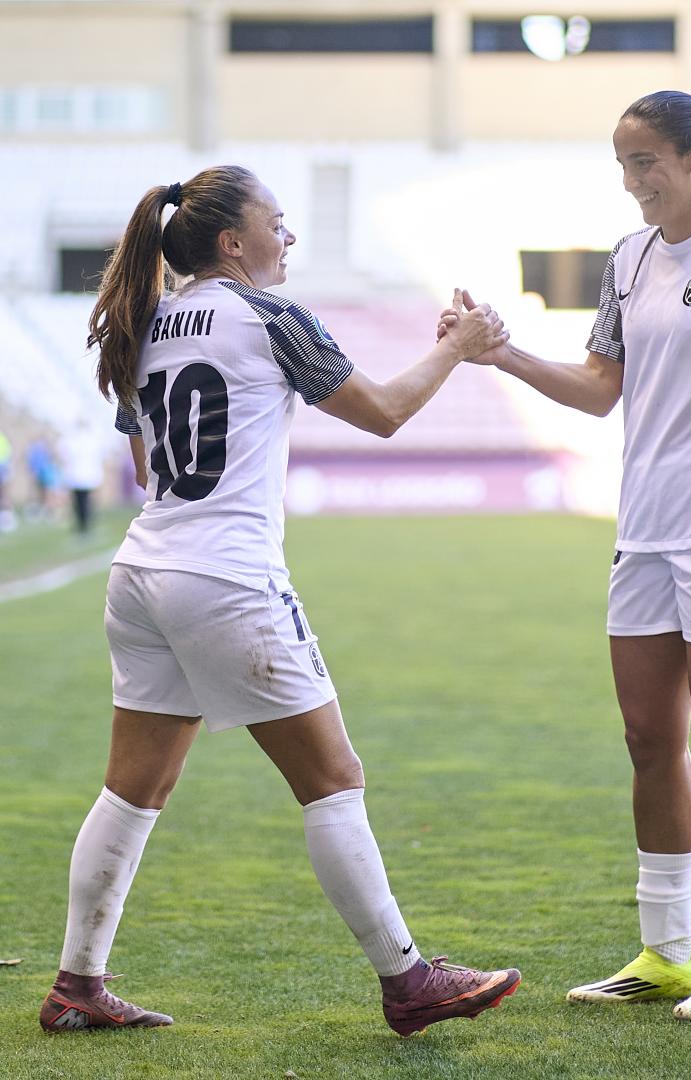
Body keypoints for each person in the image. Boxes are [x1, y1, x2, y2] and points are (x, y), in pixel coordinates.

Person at [39, 165, 520, 1036]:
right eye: (278, 224)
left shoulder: (146, 322)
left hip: (143, 576)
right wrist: (455, 347)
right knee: (333, 781)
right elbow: (381, 413)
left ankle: (77, 985)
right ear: (234, 243)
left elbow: (146, 463)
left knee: (131, 792)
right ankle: (409, 982)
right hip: (227, 580)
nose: (288, 238)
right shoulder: (269, 314)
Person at [441, 90, 691, 1021]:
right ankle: (666, 954)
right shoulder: (629, 259)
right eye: (622, 164)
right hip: (643, 532)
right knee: (650, 741)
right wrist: (502, 352)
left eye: (647, 161)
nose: (634, 181)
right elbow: (602, 388)